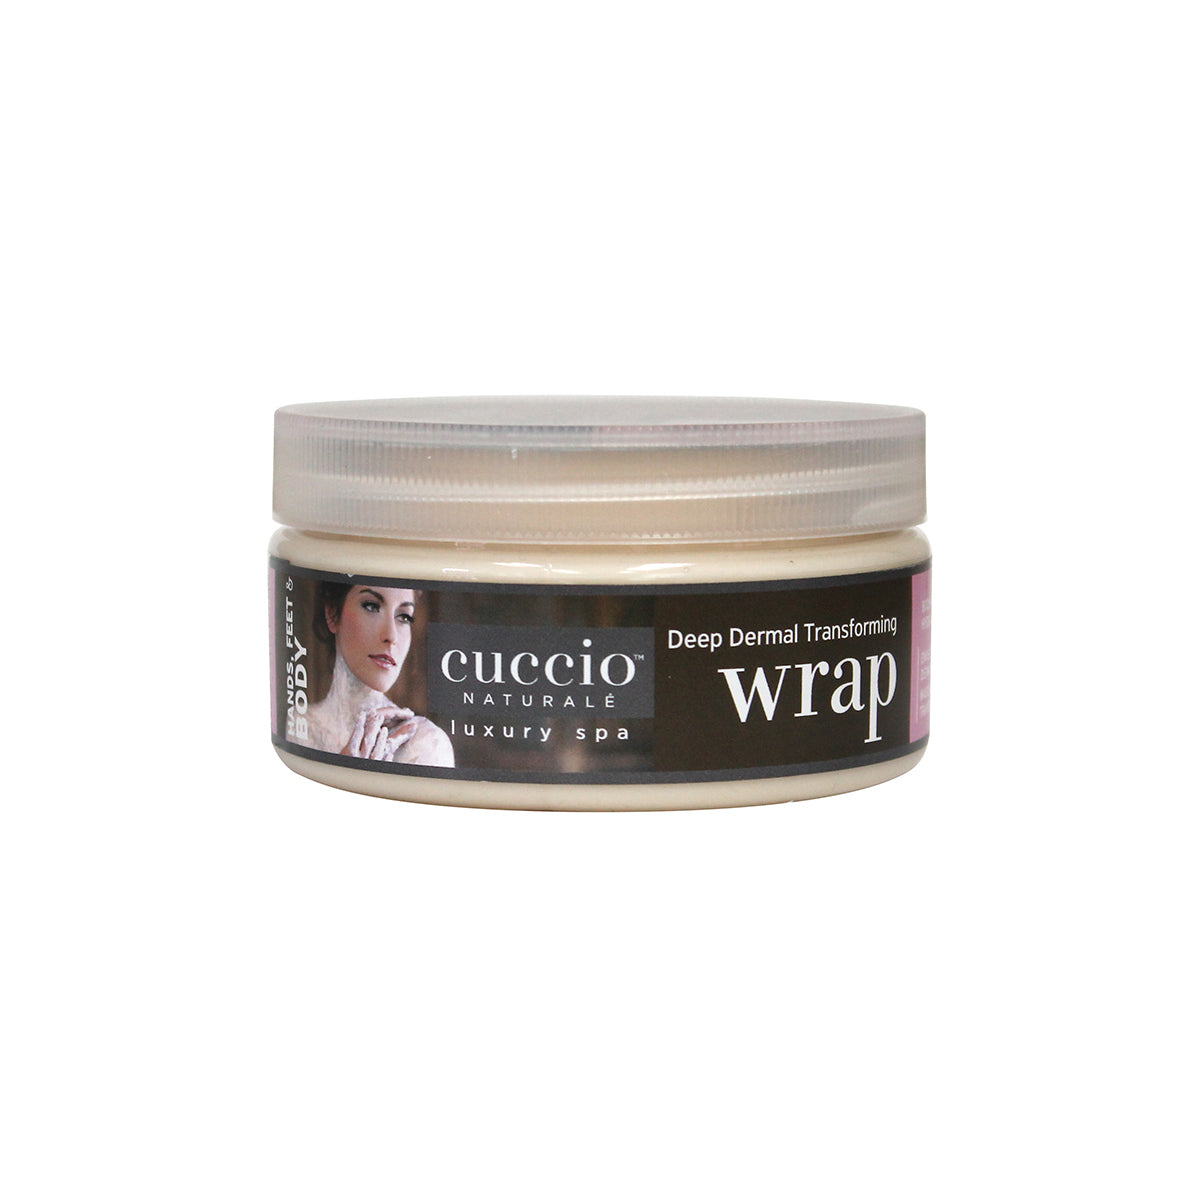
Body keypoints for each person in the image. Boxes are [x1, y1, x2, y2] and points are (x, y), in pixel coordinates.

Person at [303, 582, 454, 767]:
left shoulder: (426, 743)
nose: (391, 636)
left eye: (404, 617)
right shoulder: (298, 723)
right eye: (372, 607)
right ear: (332, 614)